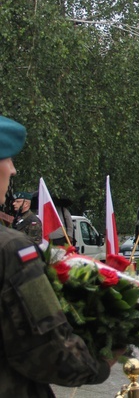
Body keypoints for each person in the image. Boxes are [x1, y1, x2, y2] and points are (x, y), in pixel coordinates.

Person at [0, 115, 116, 395]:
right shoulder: (10, 249)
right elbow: (47, 349)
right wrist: (103, 360)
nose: (13, 170)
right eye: (6, 158)